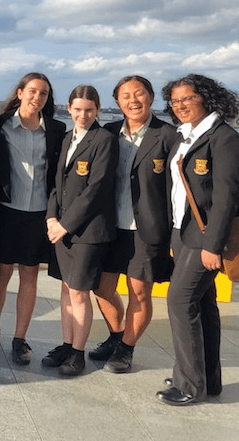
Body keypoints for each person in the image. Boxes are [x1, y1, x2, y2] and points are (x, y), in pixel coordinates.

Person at [84, 76, 179, 373]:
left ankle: (126, 349)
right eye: (126, 95)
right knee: (101, 288)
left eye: (139, 93)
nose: (133, 99)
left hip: (147, 229)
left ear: (151, 97)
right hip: (109, 227)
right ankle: (116, 336)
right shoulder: (107, 133)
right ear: (117, 102)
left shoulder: (168, 135)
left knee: (139, 292)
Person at [157, 74, 239, 405]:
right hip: (182, 230)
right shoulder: (185, 136)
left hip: (204, 237)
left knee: (179, 301)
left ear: (205, 98)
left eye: (187, 99)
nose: (180, 106)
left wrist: (212, 246)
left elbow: (226, 198)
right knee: (202, 303)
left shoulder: (224, 139)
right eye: (175, 101)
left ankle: (188, 385)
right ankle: (208, 379)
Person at [0, 72, 66, 365]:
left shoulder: (56, 129)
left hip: (40, 214)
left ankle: (20, 338)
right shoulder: (0, 125)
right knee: (2, 273)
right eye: (32, 91)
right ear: (19, 93)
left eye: (43, 93)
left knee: (29, 276)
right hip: (7, 210)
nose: (37, 98)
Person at [44, 85, 118, 376]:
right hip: (61, 228)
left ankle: (77, 352)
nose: (83, 115)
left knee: (79, 292)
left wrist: (64, 224)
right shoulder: (65, 139)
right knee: (65, 289)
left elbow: (96, 190)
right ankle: (65, 343)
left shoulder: (104, 140)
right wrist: (51, 217)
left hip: (88, 231)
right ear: (69, 109)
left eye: (89, 110)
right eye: (77, 109)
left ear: (97, 110)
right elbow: (56, 185)